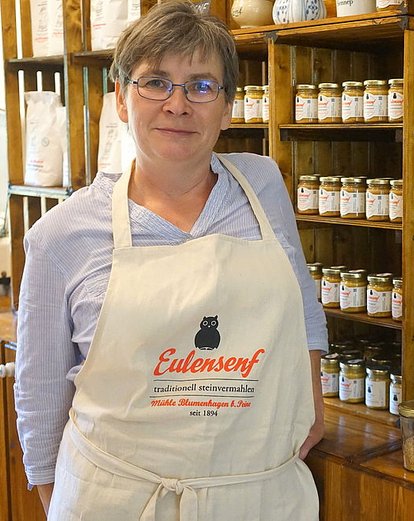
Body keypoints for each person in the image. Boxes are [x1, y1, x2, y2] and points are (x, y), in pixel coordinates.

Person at [14, 2, 327, 519]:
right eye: (154, 82)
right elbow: (41, 395)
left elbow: (302, 303)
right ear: (120, 98)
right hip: (118, 499)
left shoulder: (264, 186)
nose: (178, 105)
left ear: (227, 108)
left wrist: (312, 398)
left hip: (258, 495)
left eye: (202, 85)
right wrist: (65, 502)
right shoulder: (60, 235)